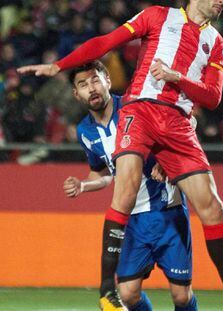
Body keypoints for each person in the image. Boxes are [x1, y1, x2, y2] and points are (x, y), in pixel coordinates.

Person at [18, 1, 223, 310]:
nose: (222, 1)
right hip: (140, 110)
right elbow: (107, 42)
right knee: (126, 189)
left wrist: (177, 78)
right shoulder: (158, 15)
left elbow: (212, 97)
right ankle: (108, 291)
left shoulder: (217, 42)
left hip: (178, 122)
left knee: (212, 208)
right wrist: (59, 65)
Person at [63, 61, 197, 311]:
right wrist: (84, 185)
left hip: (168, 210)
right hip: (131, 219)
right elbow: (104, 175)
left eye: (95, 80)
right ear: (76, 93)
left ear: (108, 81)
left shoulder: (135, 104)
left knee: (181, 296)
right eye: (83, 84)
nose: (91, 88)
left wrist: (169, 162)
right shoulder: (85, 132)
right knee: (128, 294)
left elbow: (187, 122)